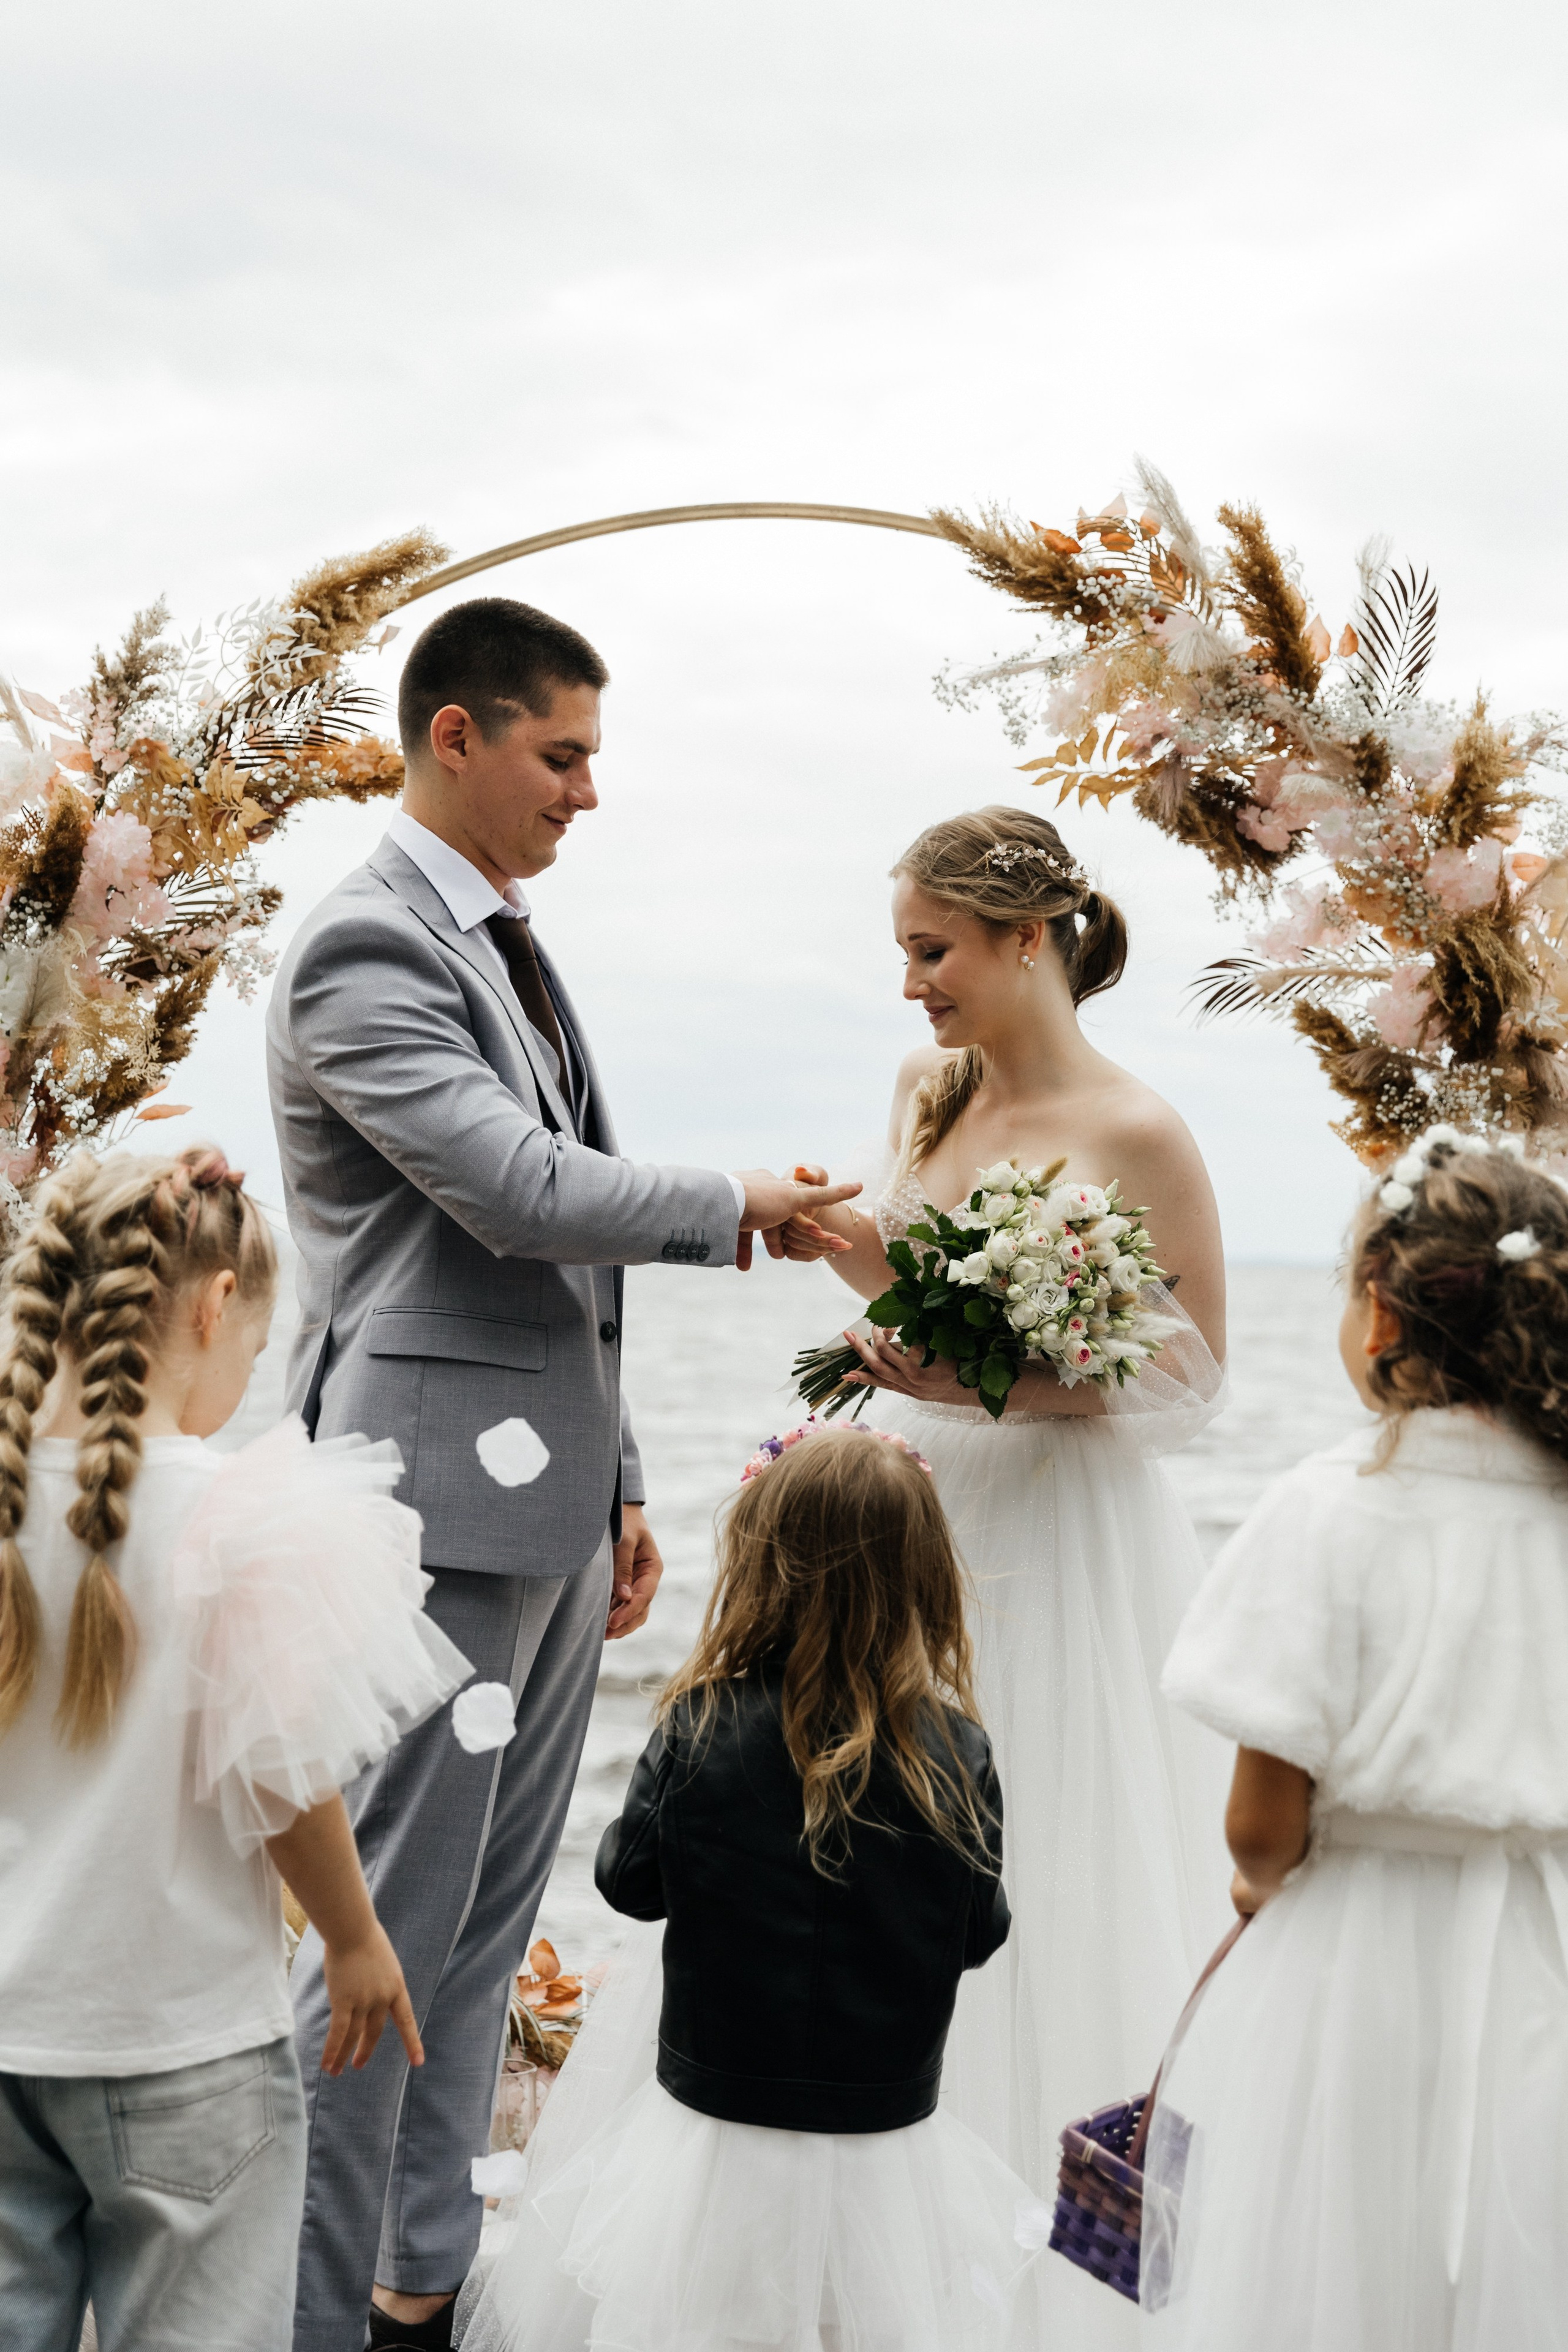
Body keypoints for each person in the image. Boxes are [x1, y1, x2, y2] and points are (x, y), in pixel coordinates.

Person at [266, 595, 858, 2352]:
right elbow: (514, 1190)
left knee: (480, 1933)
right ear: (458, 735)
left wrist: (618, 1488)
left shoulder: (506, 938)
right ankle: (309, 2318)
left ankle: (416, 2291)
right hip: (428, 1514)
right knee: (376, 1950)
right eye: (563, 754)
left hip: (534, 1503)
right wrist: (738, 1198)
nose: (588, 794)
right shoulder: (363, 950)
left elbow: (552, 1288)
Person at [786, 805, 1232, 2345]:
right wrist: (841, 1257)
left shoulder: (1138, 1133)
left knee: (1044, 1857)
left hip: (1058, 1527)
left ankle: (1039, 2258)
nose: (912, 985)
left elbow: (1186, 1383)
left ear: (1026, 937)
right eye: (905, 954)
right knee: (861, 1837)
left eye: (932, 951)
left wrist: (980, 1383)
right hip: (919, 1512)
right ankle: (854, 2221)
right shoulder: (926, 1089)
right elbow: (917, 1292)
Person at [0, 1146, 468, 2352]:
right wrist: (356, 1938)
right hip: (186, 2045)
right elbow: (280, 1774)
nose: (248, 1380)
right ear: (213, 1308)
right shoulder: (238, 1512)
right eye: (254, 1355)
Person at [461, 1421, 1052, 2352]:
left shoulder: (701, 1721)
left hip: (717, 2128)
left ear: (763, 1563)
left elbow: (628, 1882)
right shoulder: (957, 1750)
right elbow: (979, 1931)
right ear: (925, 1576)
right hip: (885, 2133)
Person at [1142, 1128, 1568, 2349]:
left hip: (1357, 1967)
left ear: (1377, 1315)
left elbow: (1261, 1829)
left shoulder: (1329, 1509)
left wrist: (1252, 1879)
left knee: (1329, 2265)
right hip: (1545, 1944)